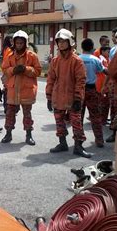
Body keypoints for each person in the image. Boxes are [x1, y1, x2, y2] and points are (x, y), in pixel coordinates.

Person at [46, 29, 90, 158]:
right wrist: (49, 96)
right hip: (58, 97)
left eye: (63, 41)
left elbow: (81, 81)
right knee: (59, 122)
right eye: (59, 41)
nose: (61, 44)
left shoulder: (77, 61)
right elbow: (50, 79)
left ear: (70, 42)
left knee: (76, 123)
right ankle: (62, 143)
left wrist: (78, 98)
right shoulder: (55, 61)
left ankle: (78, 146)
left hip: (72, 98)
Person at [1, 30, 41, 146]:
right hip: (13, 90)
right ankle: (8, 134)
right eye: (17, 43)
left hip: (26, 90)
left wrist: (25, 69)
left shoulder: (32, 56)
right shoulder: (9, 56)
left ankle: (29, 135)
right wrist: (13, 70)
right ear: (14, 43)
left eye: (21, 43)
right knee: (9, 113)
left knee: (27, 114)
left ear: (25, 43)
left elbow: (37, 71)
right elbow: (4, 70)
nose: (19, 45)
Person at [79, 38, 107, 148]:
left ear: (82, 47)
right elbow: (103, 71)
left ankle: (79, 139)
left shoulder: (77, 59)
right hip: (92, 90)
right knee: (95, 116)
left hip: (79, 90)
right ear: (92, 47)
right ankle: (99, 140)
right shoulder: (95, 60)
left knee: (78, 116)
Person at [96, 46, 111, 126]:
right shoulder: (102, 59)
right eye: (108, 52)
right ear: (103, 51)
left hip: (103, 83)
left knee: (104, 103)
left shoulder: (105, 59)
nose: (109, 53)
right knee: (103, 103)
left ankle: (103, 119)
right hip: (101, 83)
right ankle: (102, 120)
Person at [1, 36, 14, 114]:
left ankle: (6, 107)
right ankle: (7, 107)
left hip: (6, 71)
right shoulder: (9, 50)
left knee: (6, 89)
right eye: (11, 41)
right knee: (8, 90)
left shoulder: (5, 49)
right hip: (9, 72)